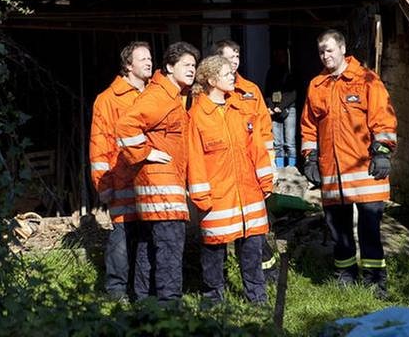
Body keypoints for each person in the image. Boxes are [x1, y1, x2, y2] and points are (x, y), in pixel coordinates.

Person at [300, 29, 397, 297]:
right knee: (337, 229)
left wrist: (382, 151)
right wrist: (309, 158)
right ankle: (345, 275)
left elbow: (383, 118)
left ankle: (375, 281)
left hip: (365, 169)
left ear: (342, 49)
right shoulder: (316, 85)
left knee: (369, 229)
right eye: (321, 51)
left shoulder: (366, 79)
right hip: (332, 172)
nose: (325, 55)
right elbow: (309, 127)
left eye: (329, 49)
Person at [115, 41, 199, 302]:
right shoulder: (160, 96)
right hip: (163, 190)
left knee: (148, 246)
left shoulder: (170, 95)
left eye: (194, 65)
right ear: (170, 67)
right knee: (169, 248)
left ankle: (145, 301)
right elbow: (126, 126)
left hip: (157, 190)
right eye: (186, 65)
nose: (192, 70)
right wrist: (146, 153)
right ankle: (168, 306)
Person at [187, 55, 274, 304]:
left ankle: (257, 298)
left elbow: (257, 148)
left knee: (252, 250)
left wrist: (266, 181)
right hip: (218, 197)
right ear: (212, 80)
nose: (233, 77)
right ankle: (214, 299)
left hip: (249, 194)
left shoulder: (240, 109)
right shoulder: (197, 116)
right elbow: (194, 158)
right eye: (227, 74)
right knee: (214, 251)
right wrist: (201, 196)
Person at [89, 41, 152, 302]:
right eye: (143, 59)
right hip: (121, 178)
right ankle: (116, 291)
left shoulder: (155, 96)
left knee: (147, 238)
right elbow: (99, 144)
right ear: (128, 65)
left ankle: (143, 292)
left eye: (150, 58)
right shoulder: (107, 100)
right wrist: (103, 185)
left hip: (151, 181)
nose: (149, 62)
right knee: (121, 238)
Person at [213, 40, 279, 280]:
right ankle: (217, 280)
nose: (235, 61)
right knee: (221, 228)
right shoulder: (208, 92)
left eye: (237, 56)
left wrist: (271, 165)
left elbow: (264, 131)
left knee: (253, 226)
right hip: (222, 172)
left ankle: (263, 275)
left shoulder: (250, 90)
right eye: (229, 57)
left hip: (251, 169)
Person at [265, 47, 297, 168]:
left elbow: (293, 93)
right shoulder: (271, 71)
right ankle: (279, 168)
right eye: (277, 55)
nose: (280, 58)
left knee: (290, 143)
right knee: (277, 143)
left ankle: (292, 168)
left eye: (282, 55)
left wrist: (282, 106)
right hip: (274, 109)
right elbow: (268, 91)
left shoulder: (290, 72)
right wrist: (271, 107)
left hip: (289, 108)